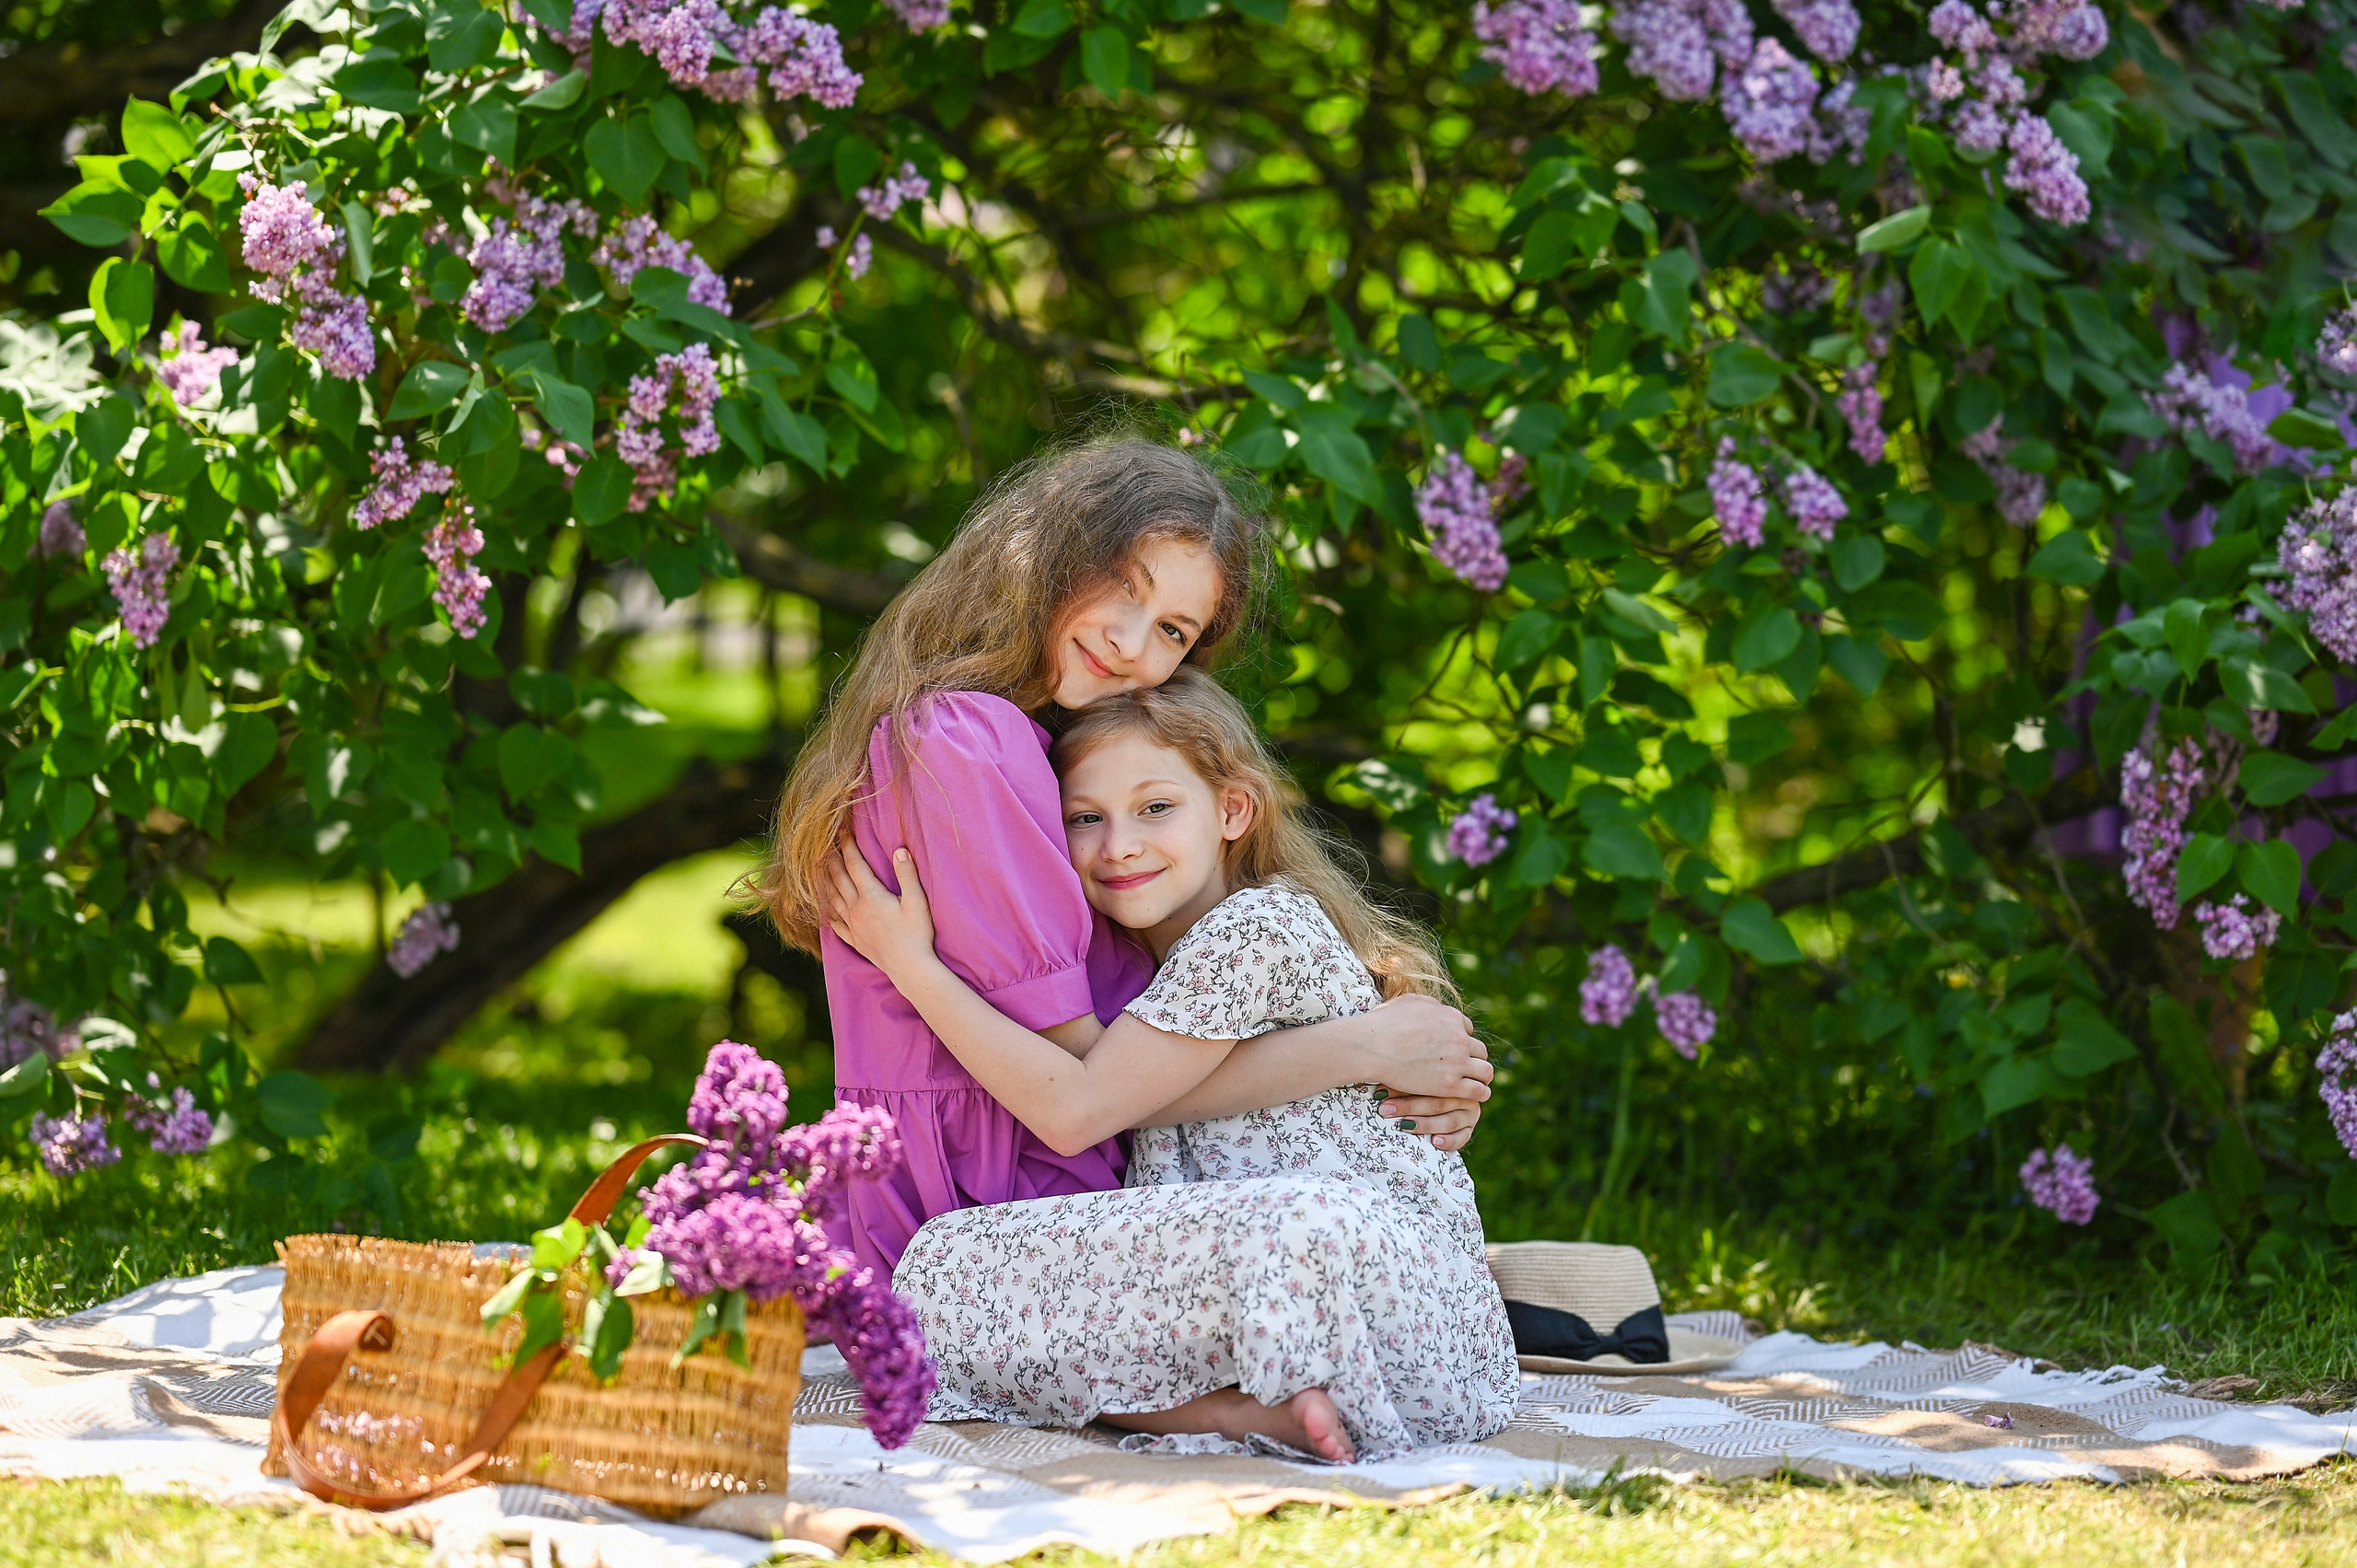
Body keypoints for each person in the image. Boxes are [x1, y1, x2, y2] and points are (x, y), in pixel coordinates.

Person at [752, 436, 1494, 1280]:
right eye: (1123, 587)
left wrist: (1399, 1073)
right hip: (1001, 1179)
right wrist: (1366, 1052)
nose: (1132, 643)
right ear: (1049, 556)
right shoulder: (968, 742)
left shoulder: (1063, 751)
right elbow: (1087, 1086)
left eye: (1173, 629)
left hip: (1034, 1165)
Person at [826, 668, 1520, 1462]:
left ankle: (1238, 1400)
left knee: (946, 1264)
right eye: (1085, 818)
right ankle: (1242, 1409)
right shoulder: (1150, 970)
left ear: (1233, 810)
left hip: (1358, 1285)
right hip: (1401, 1337)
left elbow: (1077, 1107)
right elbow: (1140, 1094)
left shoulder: (1252, 927)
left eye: (1156, 807)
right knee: (953, 1274)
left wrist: (909, 964)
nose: (1119, 844)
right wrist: (1366, 1048)